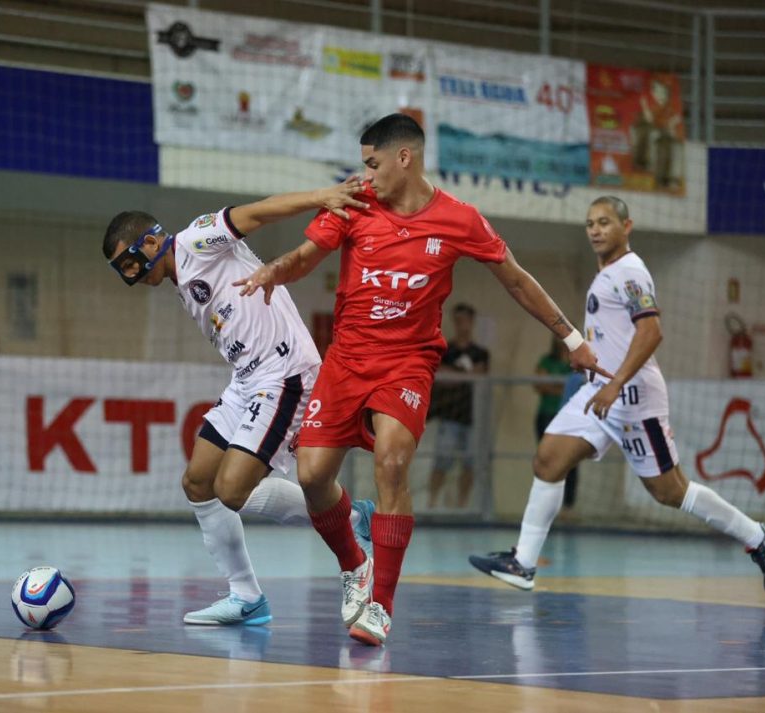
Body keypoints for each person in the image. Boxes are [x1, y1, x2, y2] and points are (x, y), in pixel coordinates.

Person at [234, 113, 608, 646]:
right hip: (347, 358)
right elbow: (306, 257)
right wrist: (275, 270)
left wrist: (571, 338)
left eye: (373, 163)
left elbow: (516, 281)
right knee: (313, 476)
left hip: (408, 361)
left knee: (391, 461)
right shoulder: (355, 203)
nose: (365, 174)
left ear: (404, 158)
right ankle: (354, 564)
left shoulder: (460, 219)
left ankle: (381, 606)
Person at [469, 196, 765, 593]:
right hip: (599, 392)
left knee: (669, 491)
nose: (595, 230)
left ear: (627, 226)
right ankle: (523, 563)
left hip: (634, 399)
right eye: (590, 224)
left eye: (604, 222)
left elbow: (651, 332)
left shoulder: (631, 271)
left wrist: (616, 383)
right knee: (549, 458)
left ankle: (760, 537)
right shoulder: (608, 273)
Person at [102, 179, 376, 626]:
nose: (130, 276)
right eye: (122, 272)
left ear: (151, 241)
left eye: (130, 263)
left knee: (231, 491)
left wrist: (321, 197)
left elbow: (259, 211)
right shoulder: (180, 278)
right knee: (198, 483)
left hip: (282, 373)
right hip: (246, 381)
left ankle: (347, 518)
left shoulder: (195, 241)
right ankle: (246, 597)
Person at [427, 303, 489, 510]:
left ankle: (463, 505)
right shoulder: (446, 350)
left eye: (466, 320)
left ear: (472, 322)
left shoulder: (480, 352)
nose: (462, 324)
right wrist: (465, 376)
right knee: (442, 461)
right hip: (449, 416)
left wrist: (455, 375)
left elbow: (479, 375)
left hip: (472, 417)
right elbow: (441, 376)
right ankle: (432, 502)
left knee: (469, 463)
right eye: (458, 320)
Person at [534, 336, 579, 510]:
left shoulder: (577, 362)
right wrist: (566, 389)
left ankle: (567, 505)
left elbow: (582, 387)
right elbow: (540, 385)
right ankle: (545, 504)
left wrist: (557, 388)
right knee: (546, 460)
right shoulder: (546, 361)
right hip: (547, 414)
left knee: (570, 461)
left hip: (570, 417)